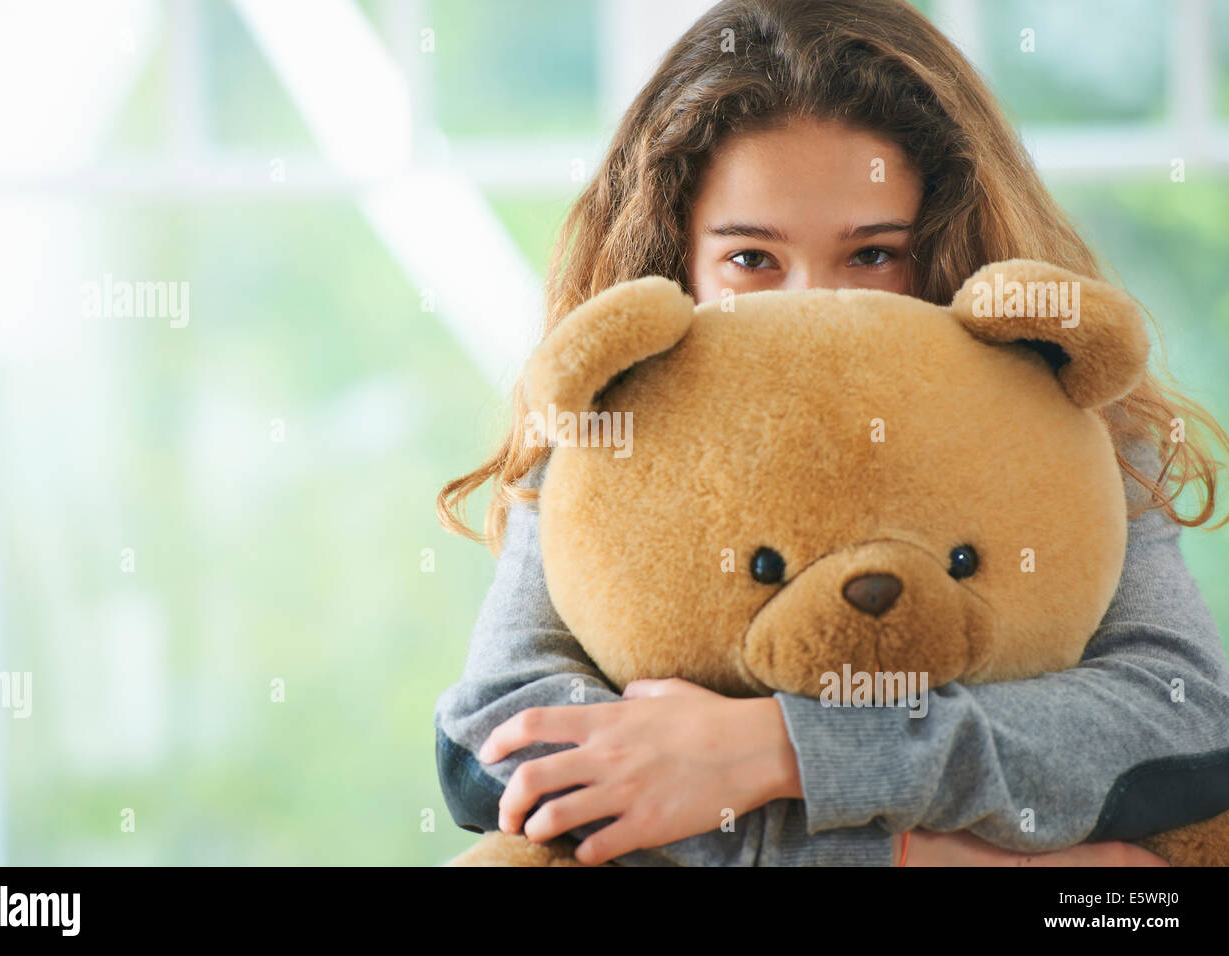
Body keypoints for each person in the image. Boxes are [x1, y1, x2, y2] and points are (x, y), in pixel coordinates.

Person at [433, 0, 1229, 866]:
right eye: (751, 259)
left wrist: (780, 751)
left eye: (874, 253)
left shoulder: (1061, 433)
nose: (809, 300)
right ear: (673, 258)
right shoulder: (613, 432)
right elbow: (497, 744)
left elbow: (1179, 721)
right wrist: (920, 859)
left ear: (951, 245)